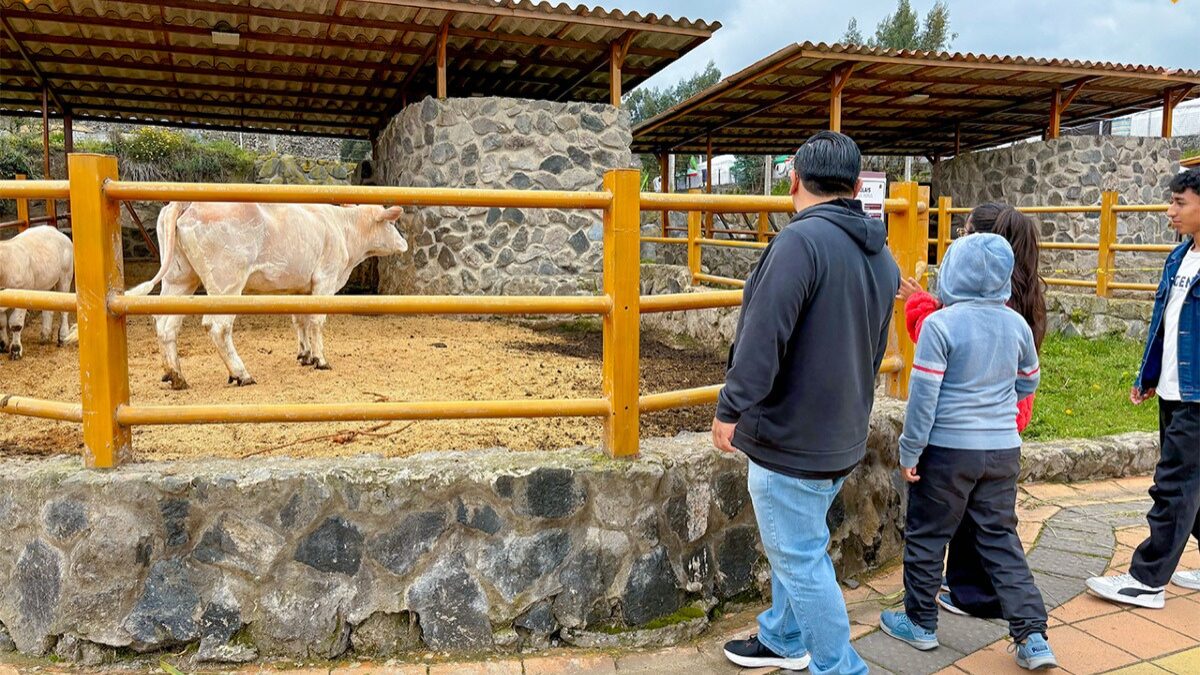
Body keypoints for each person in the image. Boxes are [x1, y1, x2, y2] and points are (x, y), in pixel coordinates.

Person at [712, 131, 899, 675]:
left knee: (799, 557)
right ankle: (783, 636)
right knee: (802, 545)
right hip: (841, 433)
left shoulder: (800, 243)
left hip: (790, 437)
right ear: (855, 184)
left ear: (794, 177)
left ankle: (839, 667)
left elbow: (763, 336)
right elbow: (871, 346)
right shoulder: (880, 252)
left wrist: (731, 407)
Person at [880, 233, 1058, 671]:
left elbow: (924, 397)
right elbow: (1030, 380)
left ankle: (920, 623)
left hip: (947, 450)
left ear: (952, 274)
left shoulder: (942, 325)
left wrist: (909, 451)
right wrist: (1001, 400)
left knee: (927, 535)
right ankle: (1032, 636)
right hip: (1002, 451)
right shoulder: (1016, 323)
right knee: (1000, 539)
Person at [1086, 167, 1200, 608]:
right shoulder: (1179, 258)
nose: (1170, 211)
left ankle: (1146, 580)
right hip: (1175, 388)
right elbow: (1163, 325)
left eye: (1180, 203)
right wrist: (1148, 377)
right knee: (1192, 483)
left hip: (1196, 395)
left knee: (1174, 485)